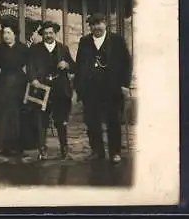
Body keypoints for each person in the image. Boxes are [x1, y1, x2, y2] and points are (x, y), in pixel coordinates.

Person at [74, 13, 132, 165]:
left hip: (112, 89)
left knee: (113, 120)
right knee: (92, 121)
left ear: (105, 23)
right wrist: (79, 89)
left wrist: (125, 85)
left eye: (99, 23)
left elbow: (127, 63)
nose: (96, 27)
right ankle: (97, 151)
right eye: (93, 24)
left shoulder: (117, 41)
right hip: (91, 90)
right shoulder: (84, 42)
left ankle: (115, 152)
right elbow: (79, 65)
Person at [27, 21, 76, 160]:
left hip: (60, 89)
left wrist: (66, 64)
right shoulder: (35, 49)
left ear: (55, 34)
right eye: (46, 33)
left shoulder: (63, 48)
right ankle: (42, 150)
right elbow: (30, 67)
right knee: (41, 120)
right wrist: (33, 80)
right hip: (42, 89)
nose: (48, 35)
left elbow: (73, 66)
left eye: (51, 33)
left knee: (61, 120)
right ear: (42, 34)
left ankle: (64, 149)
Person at [0, 23, 31, 158]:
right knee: (4, 116)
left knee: (19, 116)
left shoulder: (23, 48)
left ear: (15, 34)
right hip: (3, 84)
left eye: (8, 33)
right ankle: (5, 147)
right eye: (4, 33)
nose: (5, 36)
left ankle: (19, 147)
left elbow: (30, 65)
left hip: (19, 84)